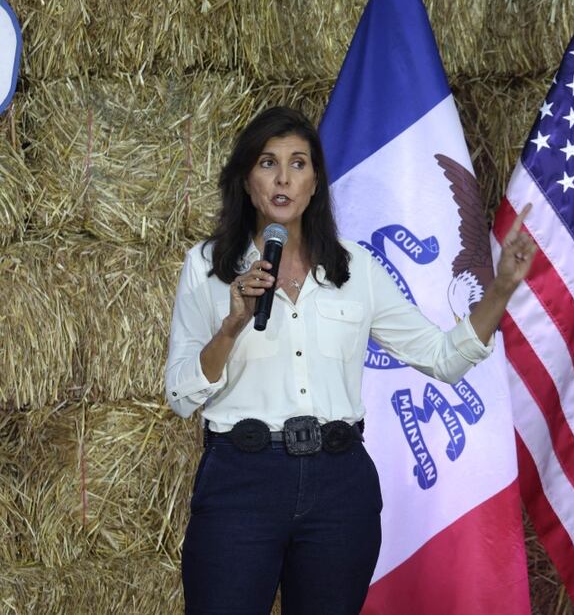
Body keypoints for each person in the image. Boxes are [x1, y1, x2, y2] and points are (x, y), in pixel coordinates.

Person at [164, 106, 535, 614]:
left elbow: (441, 357)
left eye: (298, 163)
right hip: (240, 482)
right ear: (245, 180)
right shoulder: (206, 267)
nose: (283, 178)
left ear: (315, 182)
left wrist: (502, 289)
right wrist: (231, 327)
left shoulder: (355, 267)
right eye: (268, 163)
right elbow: (182, 394)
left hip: (338, 485)